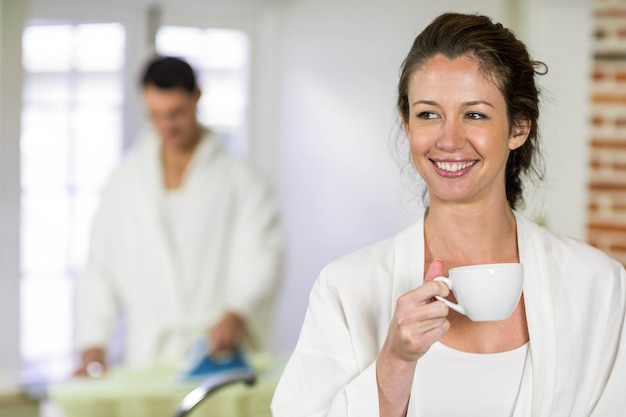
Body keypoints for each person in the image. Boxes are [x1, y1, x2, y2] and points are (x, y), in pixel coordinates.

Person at [271, 12, 626, 417]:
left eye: (474, 114)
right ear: (406, 124)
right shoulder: (347, 289)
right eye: (428, 114)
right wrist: (396, 362)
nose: (449, 139)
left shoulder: (597, 285)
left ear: (519, 127)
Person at [73, 56, 284, 376]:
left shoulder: (241, 180)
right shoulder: (125, 182)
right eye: (155, 116)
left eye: (176, 114)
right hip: (147, 356)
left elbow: (264, 255)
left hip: (215, 353)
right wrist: (93, 343)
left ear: (196, 96)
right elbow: (100, 266)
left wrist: (236, 313)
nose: (166, 126)